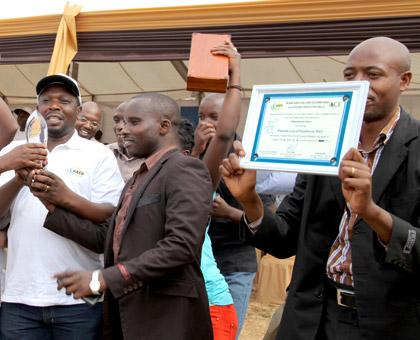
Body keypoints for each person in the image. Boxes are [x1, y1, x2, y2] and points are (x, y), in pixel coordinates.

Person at [219, 37, 420, 340]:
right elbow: (286, 238)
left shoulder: (415, 147)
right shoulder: (326, 144)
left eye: (373, 74)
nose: (361, 84)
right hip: (312, 320)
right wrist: (249, 201)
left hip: (388, 324)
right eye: (350, 75)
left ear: (404, 80)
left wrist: (372, 212)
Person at [42, 93, 214, 340]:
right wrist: (49, 204)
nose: (122, 129)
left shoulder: (184, 168)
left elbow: (181, 246)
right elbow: (106, 239)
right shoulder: (138, 177)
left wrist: (106, 277)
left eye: (133, 122)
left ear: (164, 126)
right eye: (120, 122)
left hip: (166, 319)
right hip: (127, 315)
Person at [0, 73, 124, 339]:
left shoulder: (98, 154)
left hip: (77, 300)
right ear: (37, 109)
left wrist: (64, 196)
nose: (54, 105)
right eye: (46, 100)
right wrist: (17, 180)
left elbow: (110, 215)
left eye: (64, 100)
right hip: (20, 297)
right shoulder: (14, 151)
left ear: (78, 111)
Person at [107, 101, 143, 182]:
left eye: (126, 121)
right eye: (116, 120)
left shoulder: (155, 159)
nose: (119, 127)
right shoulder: (105, 152)